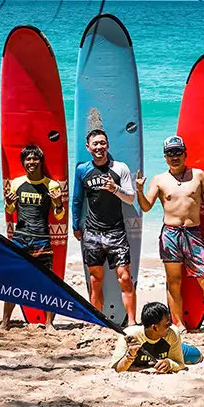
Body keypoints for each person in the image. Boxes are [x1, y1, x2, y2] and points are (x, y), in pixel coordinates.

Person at [135, 135, 204, 336]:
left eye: (178, 152)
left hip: (193, 233)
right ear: (165, 157)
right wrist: (139, 191)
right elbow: (146, 207)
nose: (174, 157)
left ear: (185, 154)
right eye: (170, 153)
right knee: (174, 281)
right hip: (170, 235)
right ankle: (178, 324)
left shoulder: (198, 175)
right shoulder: (159, 180)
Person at [72, 129, 137, 324]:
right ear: (88, 147)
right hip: (92, 233)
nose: (99, 147)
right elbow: (77, 200)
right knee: (95, 279)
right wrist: (75, 225)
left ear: (108, 144)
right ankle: (97, 321)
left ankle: (132, 322)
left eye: (102, 143)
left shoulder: (120, 168)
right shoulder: (82, 170)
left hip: (116, 232)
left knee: (124, 278)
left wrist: (115, 189)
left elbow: (130, 198)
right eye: (95, 144)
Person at [1, 145, 66, 330]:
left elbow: (59, 216)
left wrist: (58, 203)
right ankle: (5, 322)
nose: (31, 162)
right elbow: (10, 211)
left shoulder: (51, 185)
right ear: (23, 162)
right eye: (28, 159)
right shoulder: (16, 183)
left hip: (41, 239)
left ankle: (49, 323)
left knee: (47, 282)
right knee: (12, 281)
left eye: (35, 158)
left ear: (41, 161)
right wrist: (8, 203)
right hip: (20, 238)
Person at [111, 301, 203, 373]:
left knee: (196, 356)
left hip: (172, 349)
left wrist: (169, 363)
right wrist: (130, 355)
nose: (171, 326)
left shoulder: (172, 332)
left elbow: (180, 364)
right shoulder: (130, 335)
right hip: (157, 350)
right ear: (154, 328)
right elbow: (116, 369)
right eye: (167, 324)